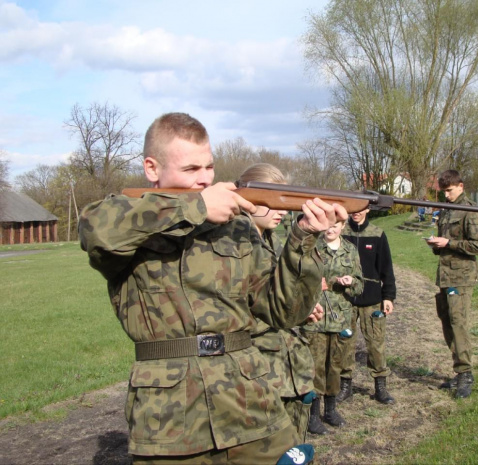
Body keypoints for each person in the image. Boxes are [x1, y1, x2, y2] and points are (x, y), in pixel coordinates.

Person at [78, 112, 348, 465]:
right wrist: (197, 207)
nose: (205, 180)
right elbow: (97, 231)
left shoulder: (237, 228)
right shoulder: (127, 217)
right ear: (151, 168)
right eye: (191, 169)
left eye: (209, 167)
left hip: (252, 405)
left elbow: (283, 312)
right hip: (171, 422)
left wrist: (303, 239)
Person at [239, 163, 317, 442]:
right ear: (249, 199)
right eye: (273, 202)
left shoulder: (270, 239)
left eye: (284, 202)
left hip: (285, 367)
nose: (282, 210)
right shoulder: (236, 243)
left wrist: (300, 311)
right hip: (258, 372)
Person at [426, 170, 478, 399]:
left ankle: (465, 374)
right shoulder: (447, 210)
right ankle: (458, 369)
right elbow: (446, 243)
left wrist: (449, 242)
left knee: (458, 322)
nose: (446, 195)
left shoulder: (470, 210)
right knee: (447, 322)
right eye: (444, 192)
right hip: (445, 275)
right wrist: (437, 245)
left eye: (450, 191)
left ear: (461, 186)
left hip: (461, 277)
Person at [301, 219, 363, 434]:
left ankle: (331, 410)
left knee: (335, 366)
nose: (331, 228)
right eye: (328, 224)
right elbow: (296, 279)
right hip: (315, 318)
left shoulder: (350, 250)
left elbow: (360, 286)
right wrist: (313, 284)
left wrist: (350, 282)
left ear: (343, 225)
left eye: (336, 224)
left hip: (340, 319)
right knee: (315, 367)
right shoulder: (311, 248)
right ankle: (312, 415)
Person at [337, 208, 397, 405]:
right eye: (353, 209)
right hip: (345, 299)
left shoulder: (377, 234)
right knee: (345, 342)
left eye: (360, 209)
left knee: (376, 343)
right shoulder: (341, 233)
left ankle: (380, 385)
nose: (356, 213)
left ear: (368, 209)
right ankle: (345, 384)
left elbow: (386, 267)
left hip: (372, 300)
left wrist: (388, 296)